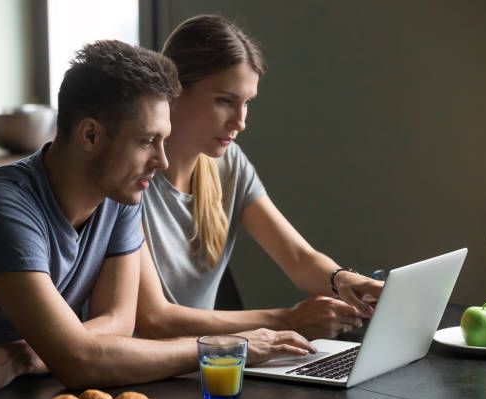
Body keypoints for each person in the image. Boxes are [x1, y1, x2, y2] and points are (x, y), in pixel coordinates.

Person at [0, 40, 314, 391]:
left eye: (163, 140)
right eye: (147, 141)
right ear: (90, 136)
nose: (162, 161)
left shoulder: (118, 195)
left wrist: (23, 356)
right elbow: (78, 360)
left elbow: (120, 324)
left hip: (37, 388)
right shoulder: (1, 206)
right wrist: (224, 346)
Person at [135, 15, 384, 341]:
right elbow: (152, 320)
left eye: (247, 103)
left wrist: (344, 280)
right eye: (225, 101)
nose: (240, 122)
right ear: (174, 92)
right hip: (143, 371)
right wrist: (288, 320)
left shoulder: (229, 165)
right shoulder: (130, 177)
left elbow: (298, 258)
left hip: (205, 365)